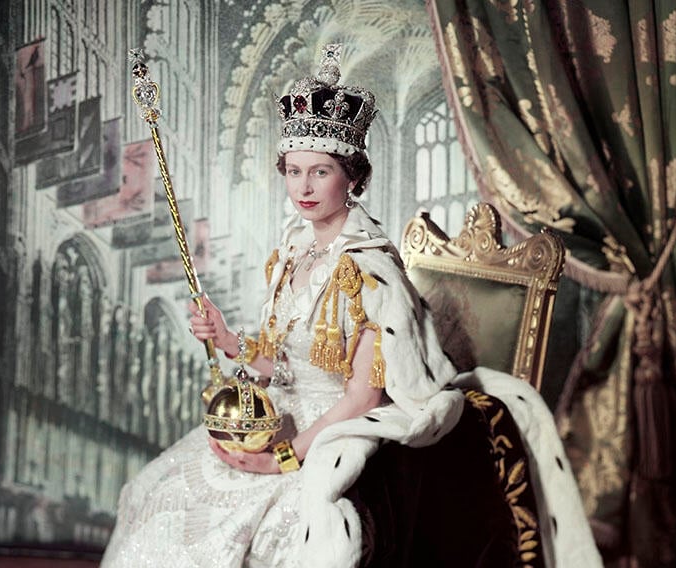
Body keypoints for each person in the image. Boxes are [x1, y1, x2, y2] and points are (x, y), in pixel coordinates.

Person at [102, 45, 600, 568]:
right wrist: (230, 341)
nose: (304, 187)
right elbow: (285, 364)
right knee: (154, 491)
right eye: (294, 171)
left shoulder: (370, 270)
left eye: (320, 172)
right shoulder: (292, 250)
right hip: (283, 411)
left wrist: (285, 461)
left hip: (337, 427)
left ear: (352, 177)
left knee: (264, 533)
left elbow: (363, 396)